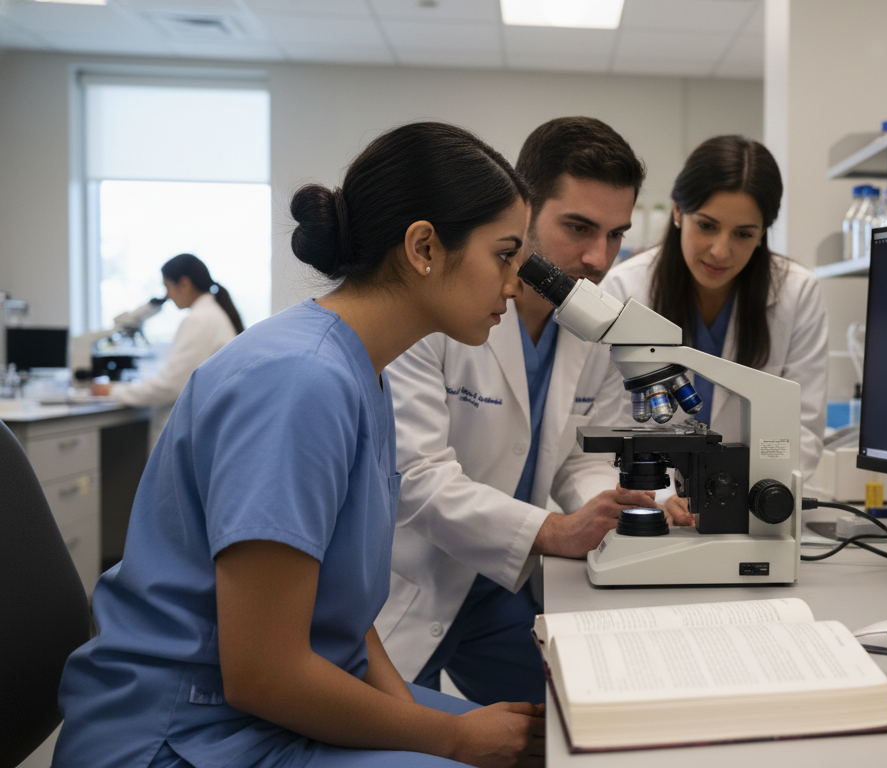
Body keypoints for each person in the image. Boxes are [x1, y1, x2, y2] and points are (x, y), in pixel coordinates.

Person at [55, 122, 545, 768]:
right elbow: (263, 673)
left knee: (541, 746)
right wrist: (447, 739)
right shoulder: (301, 381)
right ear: (424, 246)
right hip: (184, 733)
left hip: (259, 708)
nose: (516, 283)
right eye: (505, 255)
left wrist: (415, 722)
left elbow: (337, 608)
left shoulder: (360, 371)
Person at [375, 117, 651, 706]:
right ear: (524, 211)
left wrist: (615, 510)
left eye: (616, 234)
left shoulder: (599, 323)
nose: (598, 258)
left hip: (499, 586)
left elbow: (580, 457)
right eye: (578, 227)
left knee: (571, 720)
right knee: (408, 741)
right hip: (408, 581)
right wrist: (553, 529)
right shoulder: (439, 310)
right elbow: (417, 478)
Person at [600, 135, 828, 522]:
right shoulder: (626, 291)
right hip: (656, 507)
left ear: (762, 233)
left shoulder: (797, 293)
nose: (721, 251)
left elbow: (802, 430)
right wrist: (663, 496)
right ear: (677, 212)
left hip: (748, 511)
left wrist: (734, 494)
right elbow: (612, 422)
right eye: (706, 226)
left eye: (743, 234)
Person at [92, 254, 242, 445]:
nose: (168, 296)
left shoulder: (198, 320)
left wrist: (113, 391)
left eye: (167, 287)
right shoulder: (213, 314)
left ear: (185, 284)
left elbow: (171, 385)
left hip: (190, 431)